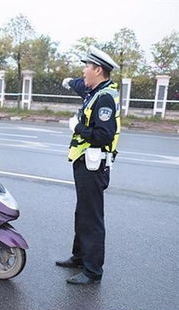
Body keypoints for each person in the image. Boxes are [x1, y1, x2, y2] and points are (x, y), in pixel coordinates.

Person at [57, 46, 121, 285]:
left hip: (94, 165)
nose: (83, 71)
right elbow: (79, 84)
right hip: (84, 161)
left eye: (87, 67)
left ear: (98, 69)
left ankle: (93, 271)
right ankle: (79, 256)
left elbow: (103, 134)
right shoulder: (95, 90)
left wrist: (77, 127)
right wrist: (68, 81)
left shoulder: (104, 98)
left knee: (91, 217)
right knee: (82, 211)